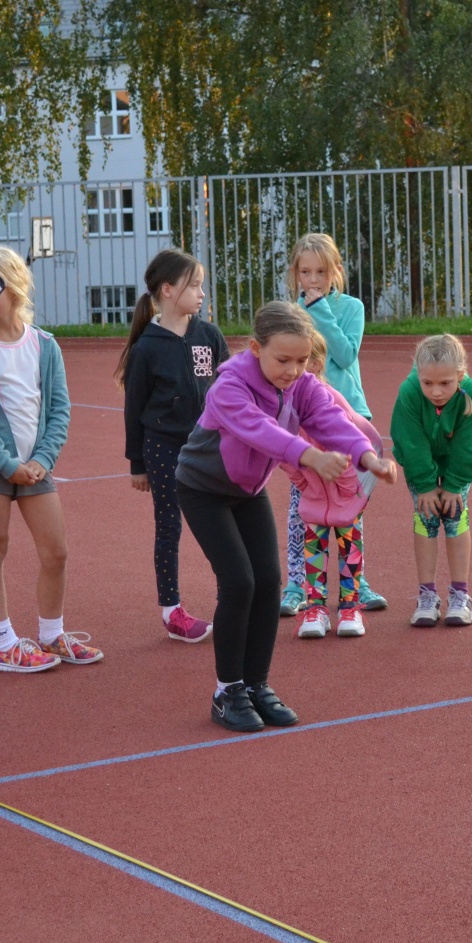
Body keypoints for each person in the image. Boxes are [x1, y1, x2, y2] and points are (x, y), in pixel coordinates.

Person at [176, 302, 397, 733]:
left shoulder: (303, 385)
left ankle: (256, 685)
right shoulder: (228, 387)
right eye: (283, 360)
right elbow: (261, 431)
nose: (293, 370)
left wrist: (366, 456)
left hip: (247, 492)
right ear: (256, 348)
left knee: (268, 581)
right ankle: (227, 691)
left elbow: (331, 418)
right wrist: (310, 455)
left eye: (301, 360)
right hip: (203, 489)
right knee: (238, 582)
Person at [0, 246, 102, 671]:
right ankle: (3, 644)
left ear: (15, 288)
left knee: (56, 551)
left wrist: (42, 459)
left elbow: (59, 410)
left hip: (36, 468)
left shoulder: (45, 345)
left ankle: (51, 635)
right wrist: (6, 464)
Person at [117, 248, 229, 643]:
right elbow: (134, 408)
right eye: (194, 285)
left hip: (208, 446)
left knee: (224, 520)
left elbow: (229, 388)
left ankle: (232, 596)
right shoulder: (147, 348)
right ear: (167, 290)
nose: (202, 293)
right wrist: (137, 464)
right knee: (169, 524)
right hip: (163, 448)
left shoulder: (208, 335)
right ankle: (171, 610)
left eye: (201, 285)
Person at [281, 233, 387, 616]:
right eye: (305, 272)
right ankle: (298, 583)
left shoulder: (351, 308)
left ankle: (354, 583)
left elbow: (344, 354)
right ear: (295, 273)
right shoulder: (289, 315)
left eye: (321, 272)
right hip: (304, 423)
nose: (313, 280)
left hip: (349, 420)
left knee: (350, 505)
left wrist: (320, 309)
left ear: (336, 271)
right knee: (303, 504)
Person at [390, 334, 472, 627]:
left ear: (460, 376)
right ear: (418, 375)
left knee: (455, 517)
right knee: (425, 518)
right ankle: (427, 596)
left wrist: (453, 484)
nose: (435, 392)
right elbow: (409, 440)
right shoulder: (410, 391)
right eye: (428, 383)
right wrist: (424, 484)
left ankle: (460, 595)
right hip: (420, 464)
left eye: (445, 384)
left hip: (456, 465)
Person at [287, 336, 387, 639]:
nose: (289, 369)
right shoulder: (284, 404)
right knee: (314, 548)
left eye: (298, 361)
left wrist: (346, 488)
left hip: (346, 492)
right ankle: (315, 608)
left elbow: (353, 439)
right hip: (314, 493)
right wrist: (304, 484)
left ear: (315, 364)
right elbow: (284, 452)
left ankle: (350, 607)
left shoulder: (332, 400)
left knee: (350, 546)